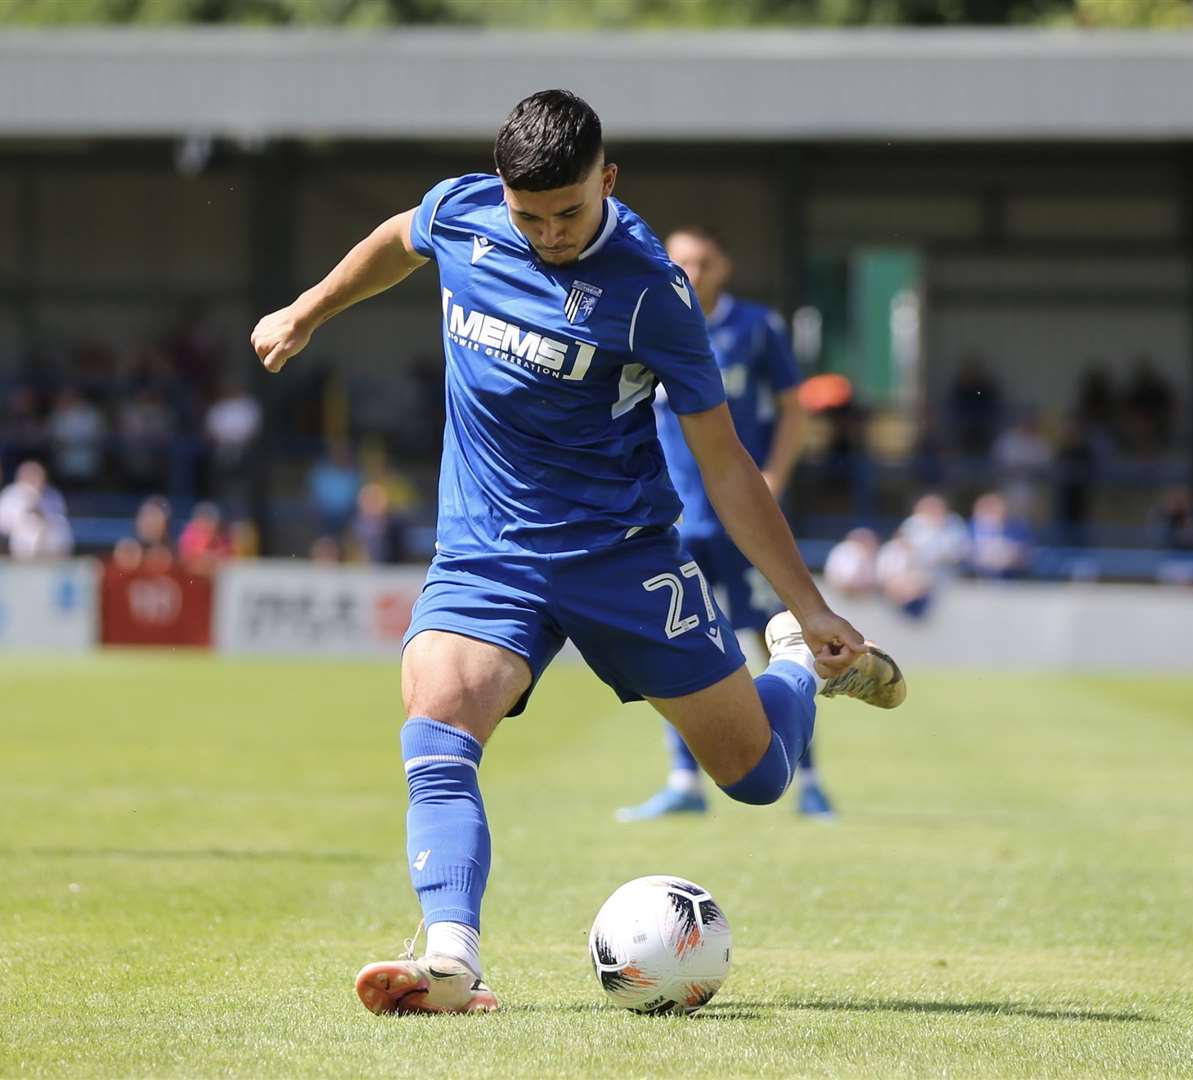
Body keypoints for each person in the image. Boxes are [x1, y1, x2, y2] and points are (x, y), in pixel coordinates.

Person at [250, 90, 905, 1016]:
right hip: (487, 552)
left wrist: (808, 610)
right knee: (438, 717)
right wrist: (308, 312)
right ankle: (450, 956)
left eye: (569, 212)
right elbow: (401, 237)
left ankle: (793, 673)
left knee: (755, 778)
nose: (550, 232)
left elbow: (725, 464)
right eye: (532, 216)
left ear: (608, 179)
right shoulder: (466, 209)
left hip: (619, 556)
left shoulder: (651, 292)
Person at [610, 226, 831, 822]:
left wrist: (777, 473)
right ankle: (684, 780)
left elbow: (793, 406)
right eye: (682, 261)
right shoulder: (646, 317)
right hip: (672, 517)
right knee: (677, 645)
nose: (693, 272)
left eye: (703, 261)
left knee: (778, 639)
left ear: (724, 266)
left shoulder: (758, 327)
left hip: (740, 516)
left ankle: (809, 779)